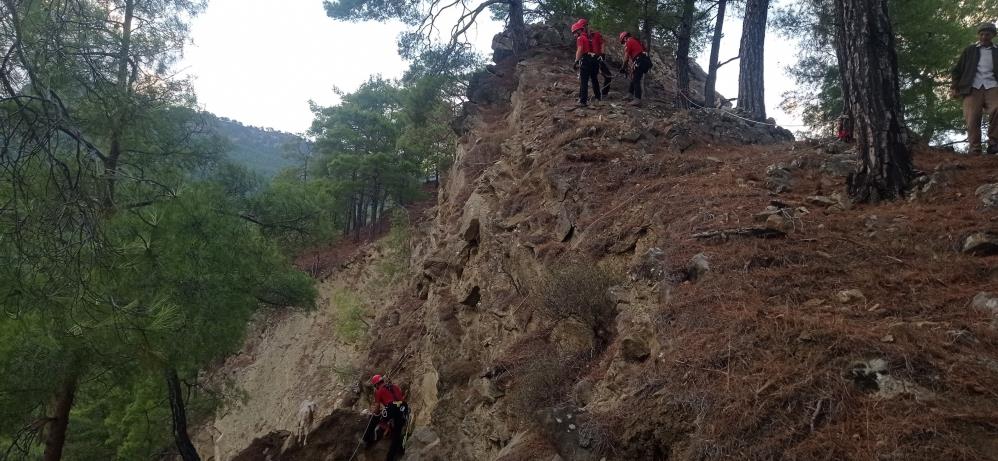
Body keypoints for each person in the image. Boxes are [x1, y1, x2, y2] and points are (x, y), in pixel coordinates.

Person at [951, 22, 998, 154]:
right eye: (981, 34)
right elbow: (957, 70)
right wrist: (954, 87)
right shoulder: (970, 50)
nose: (984, 37)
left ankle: (994, 143)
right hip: (972, 87)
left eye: (987, 34)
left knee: (997, 109)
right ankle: (975, 148)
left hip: (993, 85)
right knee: (972, 117)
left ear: (993, 35)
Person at [363, 374, 409, 461]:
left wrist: (372, 413)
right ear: (382, 381)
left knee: (374, 418)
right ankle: (390, 458)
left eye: (375, 386)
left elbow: (377, 410)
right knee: (397, 434)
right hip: (403, 408)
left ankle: (365, 440)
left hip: (392, 408)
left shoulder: (379, 391)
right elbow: (400, 399)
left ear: (376, 385)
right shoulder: (395, 386)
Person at [577, 19, 613, 97]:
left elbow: (602, 43)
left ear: (586, 26)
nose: (583, 28)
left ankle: (603, 94)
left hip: (598, 58)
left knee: (607, 76)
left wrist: (602, 54)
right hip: (588, 59)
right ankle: (584, 96)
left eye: (584, 26)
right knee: (586, 78)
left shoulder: (596, 34)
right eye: (581, 27)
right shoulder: (583, 36)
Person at [619, 32, 653, 106]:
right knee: (634, 78)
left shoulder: (629, 41)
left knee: (636, 80)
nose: (624, 43)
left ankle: (637, 99)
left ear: (625, 38)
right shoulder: (636, 41)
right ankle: (630, 94)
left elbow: (626, 57)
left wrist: (623, 67)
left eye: (623, 42)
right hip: (644, 60)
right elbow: (643, 50)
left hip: (639, 60)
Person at [572, 19, 600, 107]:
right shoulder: (588, 38)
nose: (574, 35)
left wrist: (576, 61)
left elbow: (580, 50)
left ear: (579, 30)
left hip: (586, 60)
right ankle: (598, 97)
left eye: (575, 32)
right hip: (594, 59)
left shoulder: (580, 38)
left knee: (584, 81)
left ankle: (583, 101)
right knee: (594, 79)